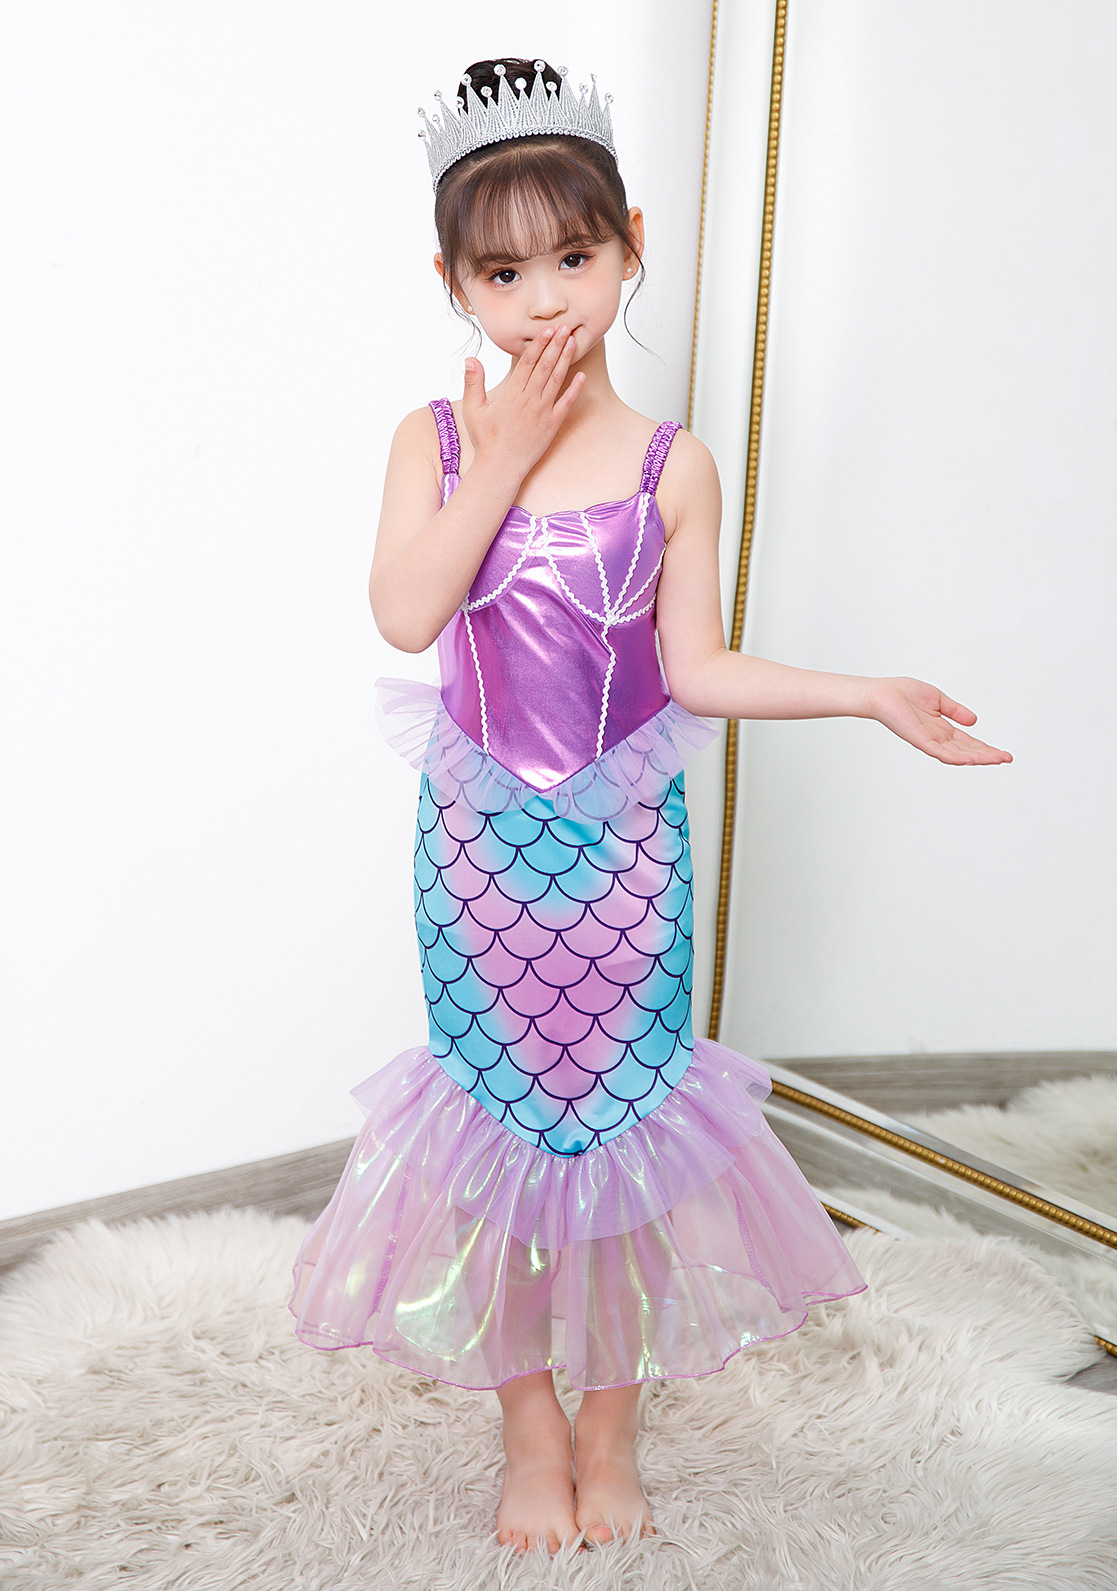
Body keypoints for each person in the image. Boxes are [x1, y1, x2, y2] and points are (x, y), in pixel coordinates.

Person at [289, 56, 1011, 1557]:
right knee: (494, 1130)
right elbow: (408, 615)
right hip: (482, 856)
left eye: (573, 256)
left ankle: (610, 1422)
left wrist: (867, 694)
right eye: (503, 274)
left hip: (626, 859)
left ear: (631, 246)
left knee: (620, 1129)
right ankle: (528, 1428)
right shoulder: (432, 441)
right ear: (452, 284)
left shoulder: (676, 466)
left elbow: (697, 667)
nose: (544, 301)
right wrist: (497, 460)